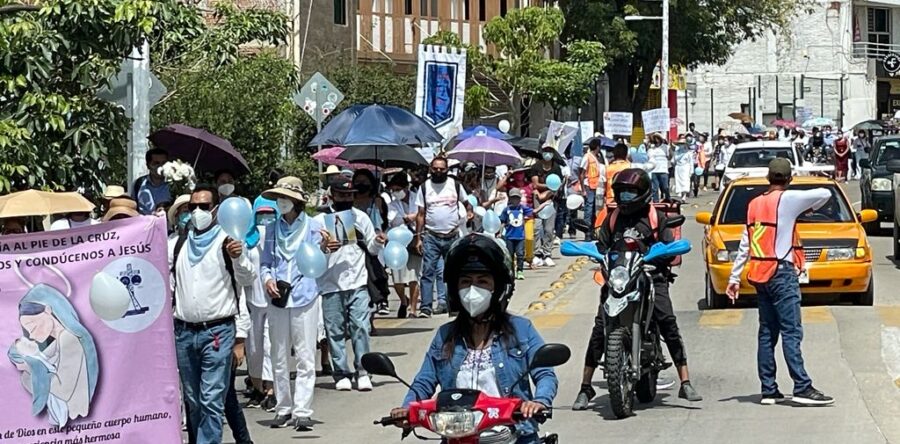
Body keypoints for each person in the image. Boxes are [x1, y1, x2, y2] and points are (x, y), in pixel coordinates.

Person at [390, 233, 558, 444]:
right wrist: (407, 409)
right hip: (456, 437)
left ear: (498, 287)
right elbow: (424, 382)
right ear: (454, 288)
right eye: (466, 282)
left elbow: (545, 374)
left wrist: (539, 402)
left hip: (514, 437)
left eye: (482, 281)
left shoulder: (521, 329)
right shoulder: (444, 336)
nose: (473, 289)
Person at [572, 168, 702, 410]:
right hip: (620, 277)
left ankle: (685, 381)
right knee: (600, 327)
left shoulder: (655, 218)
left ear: (642, 194)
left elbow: (669, 244)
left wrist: (662, 253)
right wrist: (592, 250)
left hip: (651, 277)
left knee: (667, 321)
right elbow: (601, 244)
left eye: (630, 194)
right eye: (621, 194)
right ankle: (586, 386)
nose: (625, 199)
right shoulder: (613, 217)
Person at [726, 158, 835, 406]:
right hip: (782, 272)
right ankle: (802, 387)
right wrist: (808, 207)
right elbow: (825, 192)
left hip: (759, 272)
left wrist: (734, 277)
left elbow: (746, 243)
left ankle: (769, 390)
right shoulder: (788, 200)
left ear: (768, 178)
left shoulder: (754, 204)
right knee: (791, 331)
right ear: (789, 179)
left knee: (767, 333)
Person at [170, 185, 254, 444]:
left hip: (217, 332)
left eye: (203, 206)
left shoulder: (228, 241)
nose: (197, 212)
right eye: (192, 207)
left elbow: (247, 279)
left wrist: (238, 258)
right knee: (194, 401)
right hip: (184, 332)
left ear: (216, 210)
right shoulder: (178, 244)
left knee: (211, 400)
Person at [260, 177, 326, 431]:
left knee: (305, 355)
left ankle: (302, 410)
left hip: (304, 295)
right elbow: (265, 262)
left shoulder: (313, 226)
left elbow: (321, 256)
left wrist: (326, 247)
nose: (281, 202)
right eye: (279, 198)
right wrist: (267, 280)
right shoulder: (272, 229)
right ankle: (283, 406)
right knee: (278, 354)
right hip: (278, 297)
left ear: (297, 201)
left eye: (285, 198)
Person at [316, 177, 385, 391]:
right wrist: (326, 247)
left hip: (358, 281)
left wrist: (379, 241)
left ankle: (363, 370)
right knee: (335, 330)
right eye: (342, 195)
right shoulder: (320, 221)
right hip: (331, 284)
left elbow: (371, 249)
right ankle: (341, 372)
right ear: (332, 195)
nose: (347, 198)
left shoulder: (360, 217)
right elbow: (312, 256)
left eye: (350, 195)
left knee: (361, 327)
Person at [415, 157, 473, 317]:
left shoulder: (455, 185)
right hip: (432, 236)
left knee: (453, 272)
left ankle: (453, 305)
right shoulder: (424, 187)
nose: (438, 171)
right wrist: (418, 238)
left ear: (447, 169)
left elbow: (467, 203)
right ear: (430, 169)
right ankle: (425, 307)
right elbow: (420, 214)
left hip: (452, 236)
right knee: (428, 272)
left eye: (441, 168)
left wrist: (469, 212)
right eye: (435, 168)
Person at [245, 197, 278, 412]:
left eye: (269, 215)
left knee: (269, 346)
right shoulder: (247, 241)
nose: (264, 220)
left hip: (273, 302)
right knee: (254, 348)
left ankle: (272, 389)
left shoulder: (278, 240)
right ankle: (257, 386)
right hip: (251, 302)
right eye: (260, 215)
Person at [386, 174, 419, 318]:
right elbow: (391, 220)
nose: (395, 192)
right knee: (397, 279)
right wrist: (403, 218)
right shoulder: (392, 205)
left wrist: (414, 217)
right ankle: (403, 300)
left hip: (415, 239)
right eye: (393, 190)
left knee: (414, 276)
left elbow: (424, 214)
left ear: (406, 188)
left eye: (398, 189)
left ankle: (412, 309)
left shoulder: (418, 199)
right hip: (397, 244)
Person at [529, 145, 563, 268]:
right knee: (537, 228)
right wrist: (545, 188)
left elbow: (557, 185)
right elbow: (535, 184)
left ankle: (547, 253)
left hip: (551, 198)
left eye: (550, 151)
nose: (547, 154)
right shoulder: (536, 167)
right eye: (545, 151)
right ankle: (537, 253)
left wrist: (548, 191)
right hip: (537, 198)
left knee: (549, 229)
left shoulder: (556, 168)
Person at [499, 188, 533, 280]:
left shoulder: (522, 208)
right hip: (509, 236)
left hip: (520, 237)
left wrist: (544, 205)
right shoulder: (506, 210)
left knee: (520, 254)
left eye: (517, 198)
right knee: (510, 255)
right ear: (510, 199)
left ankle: (520, 270)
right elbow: (502, 221)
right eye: (513, 198)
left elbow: (532, 212)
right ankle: (511, 271)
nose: (515, 200)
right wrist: (499, 232)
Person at [579, 139, 605, 240]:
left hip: (595, 186)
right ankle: (587, 232)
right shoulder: (587, 157)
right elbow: (581, 173)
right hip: (588, 186)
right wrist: (583, 189)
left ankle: (593, 231)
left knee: (594, 209)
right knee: (588, 209)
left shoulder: (595, 157)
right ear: (597, 147)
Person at [134, 148, 171, 215]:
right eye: (156, 163)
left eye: (163, 163)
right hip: (145, 224)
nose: (160, 167)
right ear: (148, 165)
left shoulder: (173, 185)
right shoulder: (139, 184)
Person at [647, 135, 671, 202]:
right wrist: (648, 146)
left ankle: (668, 198)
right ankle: (656, 201)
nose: (656, 140)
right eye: (655, 138)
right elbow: (649, 157)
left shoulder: (665, 147)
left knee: (665, 187)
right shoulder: (651, 149)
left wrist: (671, 148)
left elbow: (670, 157)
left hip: (663, 170)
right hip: (654, 170)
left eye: (657, 138)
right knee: (655, 188)